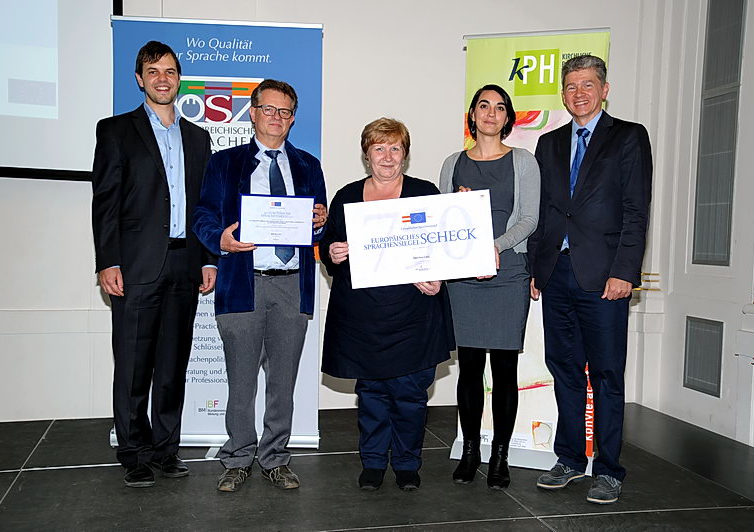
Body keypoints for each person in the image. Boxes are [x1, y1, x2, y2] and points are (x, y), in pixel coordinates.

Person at [91, 41, 217, 488]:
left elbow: (205, 205)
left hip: (185, 264)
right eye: (153, 71)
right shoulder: (116, 131)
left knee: (171, 365)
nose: (162, 79)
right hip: (135, 265)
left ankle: (165, 450)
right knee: (132, 366)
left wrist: (209, 260)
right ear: (140, 79)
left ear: (179, 79)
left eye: (170, 71)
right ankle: (134, 453)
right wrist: (108, 261)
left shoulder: (198, 138)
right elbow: (105, 202)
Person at [193, 79, 328, 493]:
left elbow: (318, 227)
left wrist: (320, 224)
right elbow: (203, 215)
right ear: (252, 113)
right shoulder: (225, 163)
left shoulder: (308, 165)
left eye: (285, 111)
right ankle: (237, 458)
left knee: (282, 382)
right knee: (241, 382)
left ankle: (275, 458)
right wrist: (220, 240)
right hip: (242, 283)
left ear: (293, 118)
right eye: (268, 109)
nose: (276, 117)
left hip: (291, 285)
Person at [528, 55, 652, 504]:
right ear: (563, 95)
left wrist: (624, 272)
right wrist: (537, 268)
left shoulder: (629, 137)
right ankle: (569, 458)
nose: (578, 93)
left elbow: (637, 210)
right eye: (571, 86)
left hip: (604, 278)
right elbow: (544, 212)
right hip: (556, 273)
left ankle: (609, 469)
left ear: (604, 89)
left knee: (606, 373)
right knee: (563, 368)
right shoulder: (548, 143)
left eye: (587, 84)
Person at [320, 118, 454, 491]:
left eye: (395, 148)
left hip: (413, 315)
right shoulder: (347, 196)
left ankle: (408, 464)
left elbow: (445, 247)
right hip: (363, 317)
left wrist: (438, 277)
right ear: (367, 154)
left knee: (411, 396)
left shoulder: (425, 193)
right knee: (372, 396)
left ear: (405, 154)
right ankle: (374, 462)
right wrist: (332, 252)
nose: (388, 156)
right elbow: (329, 245)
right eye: (379, 148)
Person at [439, 84, 540, 489]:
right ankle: (470, 451)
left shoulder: (523, 161)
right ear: (473, 114)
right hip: (464, 279)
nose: (491, 113)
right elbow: (442, 220)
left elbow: (529, 218)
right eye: (484, 105)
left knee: (504, 369)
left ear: (508, 118)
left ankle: (500, 455)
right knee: (468, 369)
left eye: (499, 107)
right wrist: (457, 207)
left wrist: (493, 246)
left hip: (508, 273)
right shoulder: (453, 163)